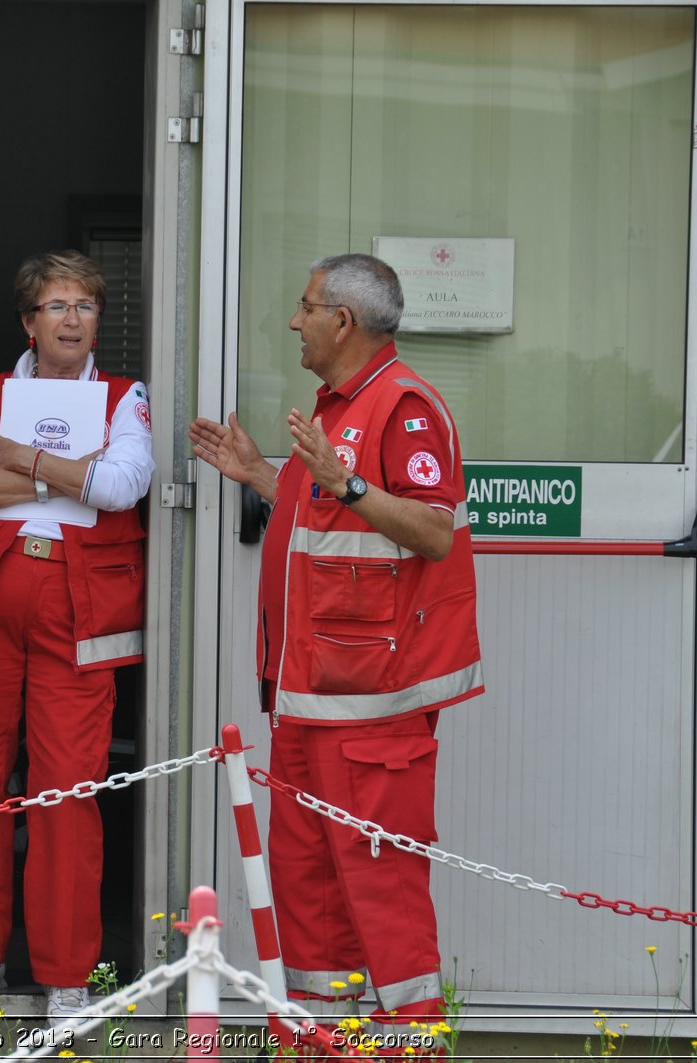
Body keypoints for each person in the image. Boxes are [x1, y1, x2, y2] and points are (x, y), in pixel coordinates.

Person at [188, 254, 482, 1050]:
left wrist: (344, 482)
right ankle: (316, 1040)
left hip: (372, 713)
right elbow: (331, 510)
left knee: (381, 897)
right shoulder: (341, 405)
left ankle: (409, 1042)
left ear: (343, 321)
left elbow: (431, 530)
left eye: (305, 305)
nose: (295, 320)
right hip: (309, 704)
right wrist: (260, 473)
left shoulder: (405, 407)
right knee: (311, 896)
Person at [0, 250, 155, 1021]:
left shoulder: (126, 397)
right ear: (28, 320)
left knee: (67, 790)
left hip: (77, 613)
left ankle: (65, 974)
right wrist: (66, 470)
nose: (71, 320)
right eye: (56, 306)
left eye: (85, 306)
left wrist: (18, 457)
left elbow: (123, 486)